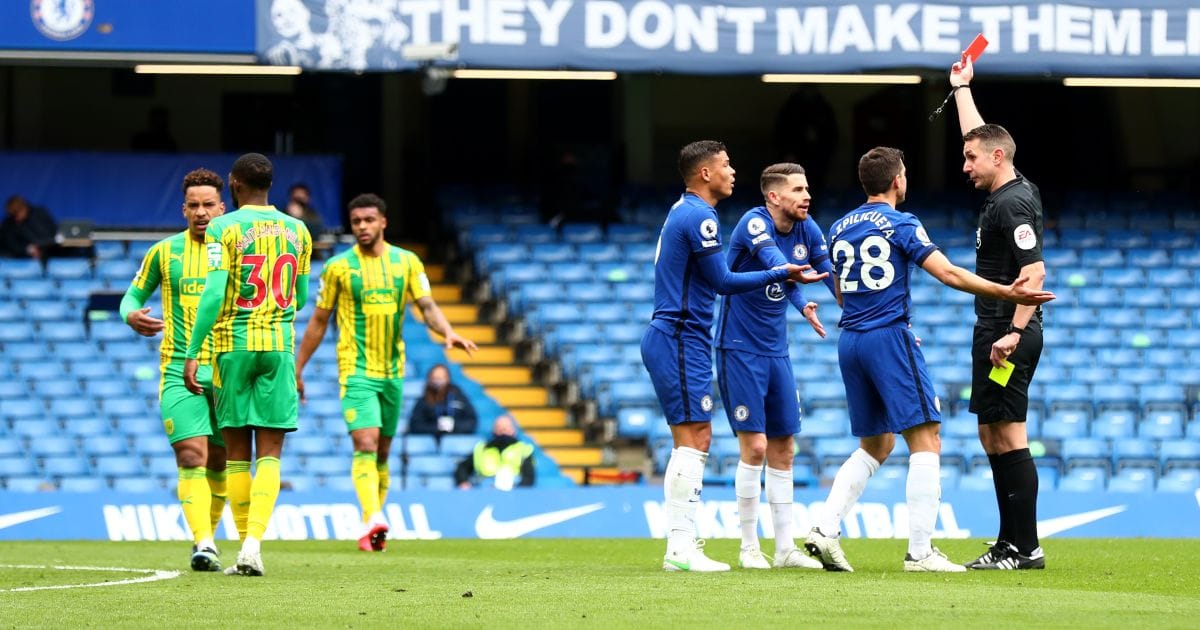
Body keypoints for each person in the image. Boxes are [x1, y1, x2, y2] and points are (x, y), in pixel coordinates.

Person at [802, 147, 1055, 573]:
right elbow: (949, 273)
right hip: (888, 337)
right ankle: (920, 552)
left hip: (851, 340)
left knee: (876, 443)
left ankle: (824, 528)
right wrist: (1008, 293)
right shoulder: (901, 223)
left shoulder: (840, 227)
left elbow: (841, 290)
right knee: (927, 437)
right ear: (898, 180)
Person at [641, 140, 827, 573]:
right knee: (694, 441)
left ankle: (684, 544)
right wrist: (780, 272)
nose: (732, 171)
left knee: (695, 438)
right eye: (725, 165)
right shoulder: (700, 216)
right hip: (679, 334)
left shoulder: (684, 211)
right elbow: (723, 280)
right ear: (705, 173)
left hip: (680, 336)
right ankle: (681, 547)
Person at [295, 193, 476, 552]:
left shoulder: (407, 262)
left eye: (368, 220)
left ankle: (371, 528)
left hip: (393, 371)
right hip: (355, 369)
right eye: (356, 221)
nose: (362, 227)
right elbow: (318, 321)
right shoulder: (338, 268)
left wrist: (449, 332)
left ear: (383, 223)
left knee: (382, 453)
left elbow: (427, 305)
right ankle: (374, 515)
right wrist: (298, 368)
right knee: (365, 442)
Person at [184, 152, 313, 577]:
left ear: (234, 185)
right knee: (271, 455)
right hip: (278, 347)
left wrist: (193, 351)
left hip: (232, 346)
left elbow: (215, 293)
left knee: (237, 454)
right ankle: (254, 545)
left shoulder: (223, 227)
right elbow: (302, 295)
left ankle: (243, 545)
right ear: (270, 185)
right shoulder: (299, 230)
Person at [950, 58, 1050, 571]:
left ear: (996, 157)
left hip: (1007, 333)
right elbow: (980, 134)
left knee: (1009, 434)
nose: (964, 165)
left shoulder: (1012, 205)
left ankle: (1027, 547)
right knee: (991, 433)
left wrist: (1012, 332)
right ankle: (1008, 542)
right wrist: (962, 88)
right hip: (991, 329)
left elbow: (1034, 272)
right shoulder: (1002, 185)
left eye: (971, 158)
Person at [716, 162, 836, 571]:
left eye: (807, 188)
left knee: (784, 447)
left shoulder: (809, 229)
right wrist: (798, 287)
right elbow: (774, 261)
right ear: (773, 196)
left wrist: (862, 312)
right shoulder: (754, 223)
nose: (807, 196)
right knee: (756, 446)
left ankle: (784, 548)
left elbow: (829, 275)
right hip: (739, 348)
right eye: (798, 190)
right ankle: (749, 547)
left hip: (776, 351)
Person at [119, 168, 228, 572]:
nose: (201, 213)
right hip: (178, 368)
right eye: (194, 205)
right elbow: (130, 297)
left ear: (223, 207)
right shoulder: (164, 252)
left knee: (220, 462)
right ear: (183, 209)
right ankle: (204, 543)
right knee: (190, 454)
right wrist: (130, 315)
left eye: (208, 205)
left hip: (229, 369)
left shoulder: (236, 252)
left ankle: (210, 535)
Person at [454, 414, 534, 490]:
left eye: (506, 427)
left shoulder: (524, 450)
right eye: (499, 427)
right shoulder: (482, 449)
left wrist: (517, 491)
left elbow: (528, 478)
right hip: (485, 491)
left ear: (514, 430)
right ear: (494, 430)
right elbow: (463, 467)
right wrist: (463, 482)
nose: (503, 430)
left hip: (513, 490)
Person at [407, 363, 478, 438]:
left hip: (455, 438)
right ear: (430, 379)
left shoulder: (459, 397)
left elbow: (471, 422)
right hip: (431, 441)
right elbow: (415, 425)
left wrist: (453, 426)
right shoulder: (424, 400)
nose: (438, 381)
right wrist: (437, 427)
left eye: (441, 377)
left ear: (448, 378)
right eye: (435, 378)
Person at [1, 195, 57, 259]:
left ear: (24, 207)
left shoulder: (40, 214)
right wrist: (28, 249)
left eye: (18, 213)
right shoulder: (9, 224)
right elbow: (12, 244)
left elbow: (53, 232)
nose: (16, 218)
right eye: (13, 215)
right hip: (21, 258)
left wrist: (42, 248)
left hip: (48, 251)